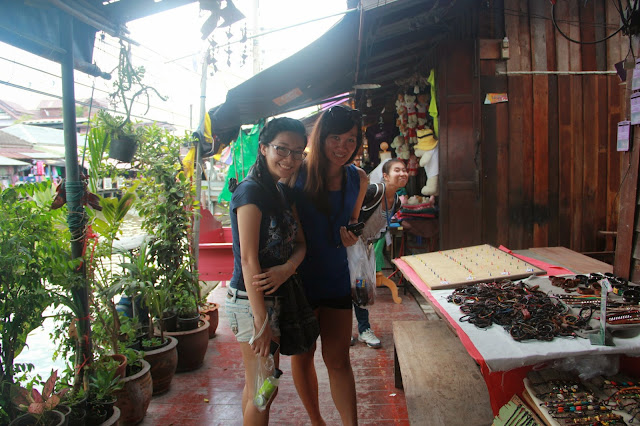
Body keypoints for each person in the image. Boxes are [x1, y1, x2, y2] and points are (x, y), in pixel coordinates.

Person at [226, 117, 308, 425]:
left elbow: (301, 245)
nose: (290, 159)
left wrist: (287, 269)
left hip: (272, 298)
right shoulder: (250, 192)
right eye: (282, 149)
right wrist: (261, 322)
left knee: (258, 388)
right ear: (263, 148)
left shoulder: (281, 192)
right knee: (264, 390)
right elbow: (248, 260)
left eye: (298, 152)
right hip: (252, 302)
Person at [290, 105, 368, 425]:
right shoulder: (296, 174)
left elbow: (353, 221)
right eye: (335, 138)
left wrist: (352, 235)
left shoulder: (358, 178)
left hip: (336, 278)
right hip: (299, 281)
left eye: (351, 140)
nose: (343, 147)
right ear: (321, 136)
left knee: (339, 360)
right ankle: (316, 421)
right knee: (303, 357)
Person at [351, 158, 408, 348]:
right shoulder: (373, 191)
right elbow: (348, 207)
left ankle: (364, 330)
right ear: (385, 176)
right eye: (397, 170)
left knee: (361, 288)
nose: (403, 173)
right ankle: (345, 330)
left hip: (364, 247)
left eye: (404, 170)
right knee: (347, 288)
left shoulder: (396, 202)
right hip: (349, 245)